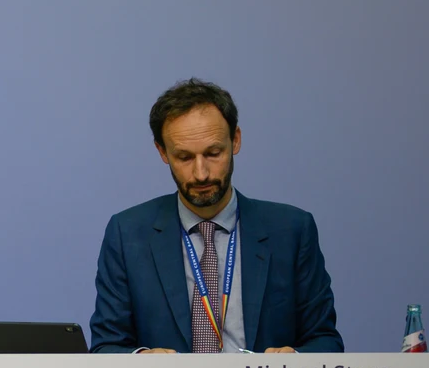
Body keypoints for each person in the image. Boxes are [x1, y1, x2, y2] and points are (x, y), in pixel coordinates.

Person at [89, 80, 342, 354]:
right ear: (162, 152)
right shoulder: (128, 234)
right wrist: (141, 360)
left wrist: (295, 359)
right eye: (184, 157)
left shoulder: (291, 230)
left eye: (213, 153)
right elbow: (106, 347)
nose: (201, 173)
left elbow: (326, 341)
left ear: (235, 140)